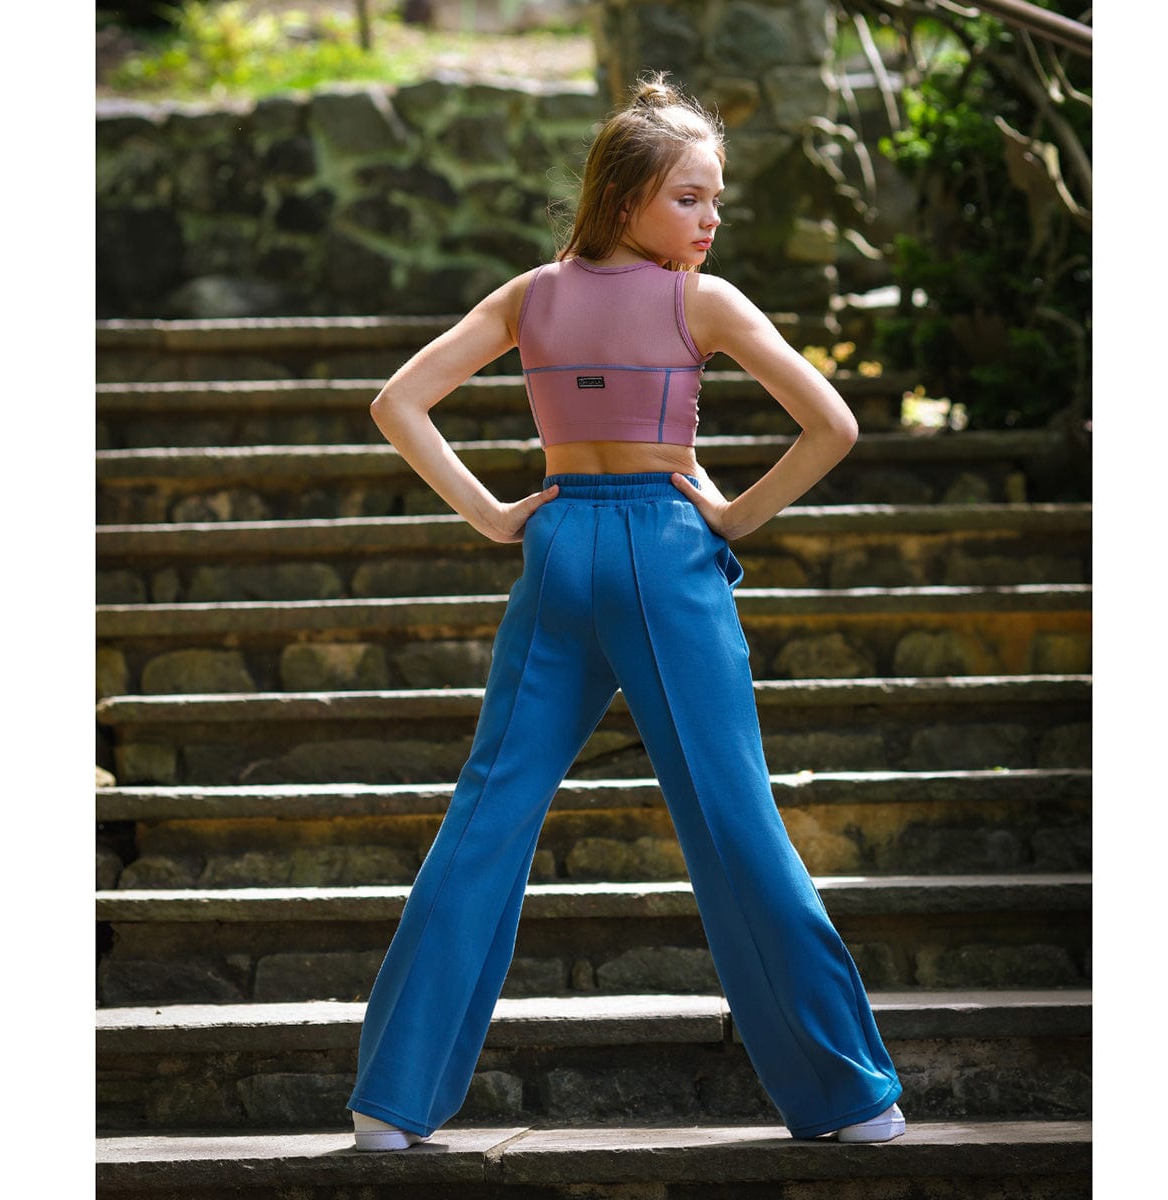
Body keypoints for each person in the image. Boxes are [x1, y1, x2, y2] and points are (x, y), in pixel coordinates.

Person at [347, 73, 905, 1151]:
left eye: (716, 200)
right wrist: (732, 516)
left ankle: (388, 1103)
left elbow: (397, 401)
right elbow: (832, 425)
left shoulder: (529, 296)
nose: (710, 220)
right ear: (624, 196)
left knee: (488, 813)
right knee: (733, 820)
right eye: (690, 198)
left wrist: (493, 516)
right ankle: (852, 1097)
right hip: (666, 553)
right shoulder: (706, 304)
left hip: (558, 548)